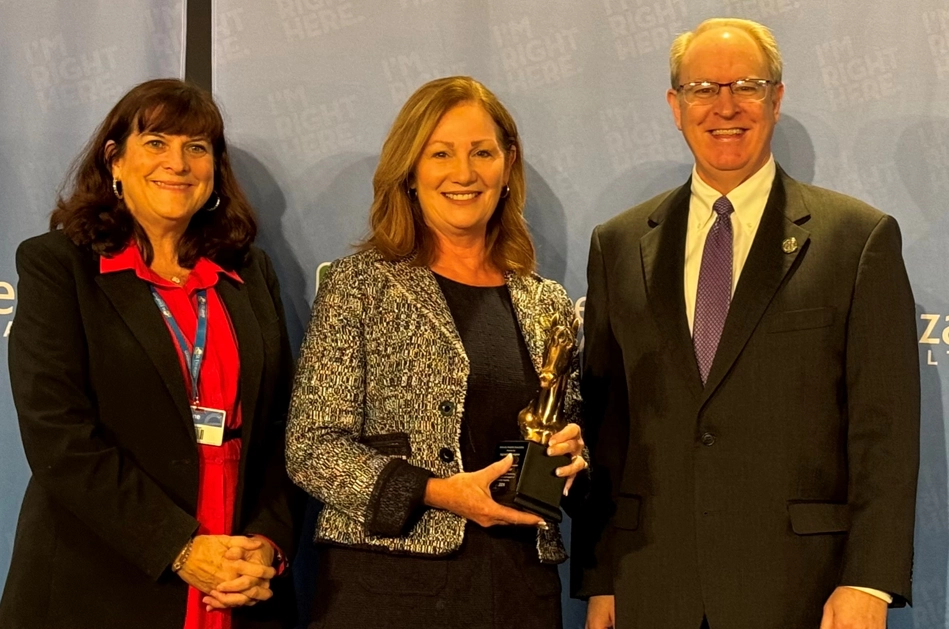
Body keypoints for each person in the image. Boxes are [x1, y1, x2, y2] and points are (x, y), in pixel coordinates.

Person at [574, 18, 919, 629]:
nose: (724, 107)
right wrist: (600, 577)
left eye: (747, 86)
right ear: (675, 106)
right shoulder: (618, 244)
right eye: (703, 89)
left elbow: (884, 431)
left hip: (802, 587)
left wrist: (870, 578)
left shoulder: (857, 239)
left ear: (777, 100)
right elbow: (609, 427)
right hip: (652, 583)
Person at [286, 75, 586, 629]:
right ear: (410, 171)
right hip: (388, 588)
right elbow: (312, 448)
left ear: (507, 164)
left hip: (519, 585)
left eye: (481, 153)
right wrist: (437, 492)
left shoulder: (548, 305)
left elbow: (570, 441)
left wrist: (573, 449)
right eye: (440, 153)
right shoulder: (360, 286)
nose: (463, 173)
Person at [0, 79, 301, 629]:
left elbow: (283, 423)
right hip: (99, 581)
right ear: (115, 160)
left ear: (214, 169)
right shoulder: (57, 266)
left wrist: (266, 542)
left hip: (239, 581)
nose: (178, 163)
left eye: (197, 147)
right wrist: (181, 549)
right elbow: (58, 436)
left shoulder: (247, 271)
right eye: (157, 142)